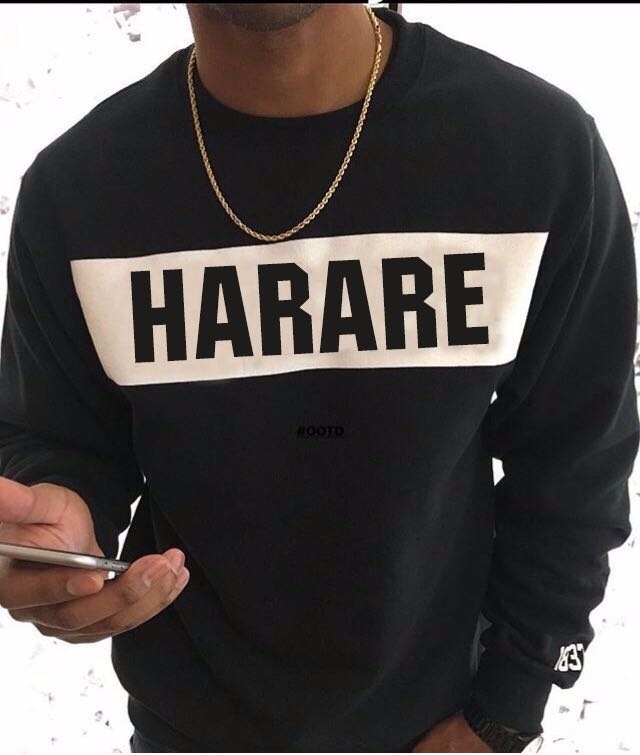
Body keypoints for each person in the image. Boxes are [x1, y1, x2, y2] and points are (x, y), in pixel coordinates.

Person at [0, 3, 637, 752]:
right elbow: (58, 440)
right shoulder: (80, 191)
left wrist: (504, 713)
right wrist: (58, 543)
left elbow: (577, 463)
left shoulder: (535, 151)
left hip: (439, 727)